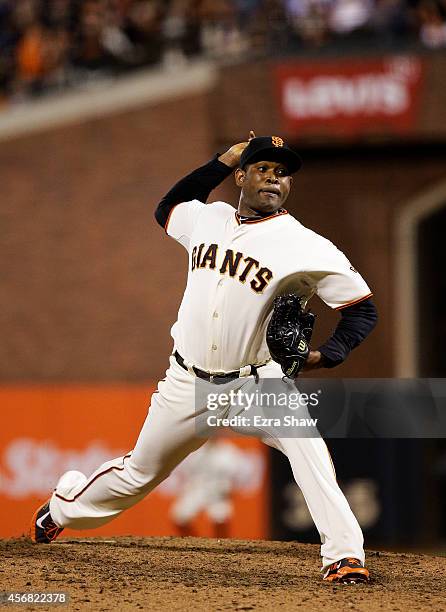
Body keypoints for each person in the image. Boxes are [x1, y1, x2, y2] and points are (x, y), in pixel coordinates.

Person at [29, 132, 377, 583]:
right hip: (187, 383)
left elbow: (361, 310)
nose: (274, 178)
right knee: (138, 474)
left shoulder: (308, 245)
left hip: (257, 383)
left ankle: (345, 556)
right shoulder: (207, 219)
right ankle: (62, 507)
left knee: (308, 449)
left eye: (283, 173)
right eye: (263, 168)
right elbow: (167, 208)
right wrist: (219, 161)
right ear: (240, 177)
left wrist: (329, 356)